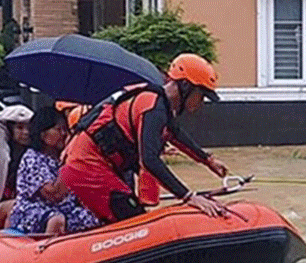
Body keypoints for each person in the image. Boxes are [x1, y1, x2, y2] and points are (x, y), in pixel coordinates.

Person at [58, 53, 231, 223]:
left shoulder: (159, 104)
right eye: (201, 96)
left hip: (93, 165)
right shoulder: (153, 108)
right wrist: (189, 197)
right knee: (133, 221)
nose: (201, 103)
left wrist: (208, 160)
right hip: (86, 166)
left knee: (131, 215)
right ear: (185, 85)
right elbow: (149, 160)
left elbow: (176, 134)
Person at [7, 106, 101, 236]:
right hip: (34, 211)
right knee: (56, 220)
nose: (64, 134)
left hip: (65, 209)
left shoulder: (59, 157)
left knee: (94, 218)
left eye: (65, 130)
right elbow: (53, 194)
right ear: (43, 135)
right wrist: (72, 162)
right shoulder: (33, 157)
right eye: (59, 130)